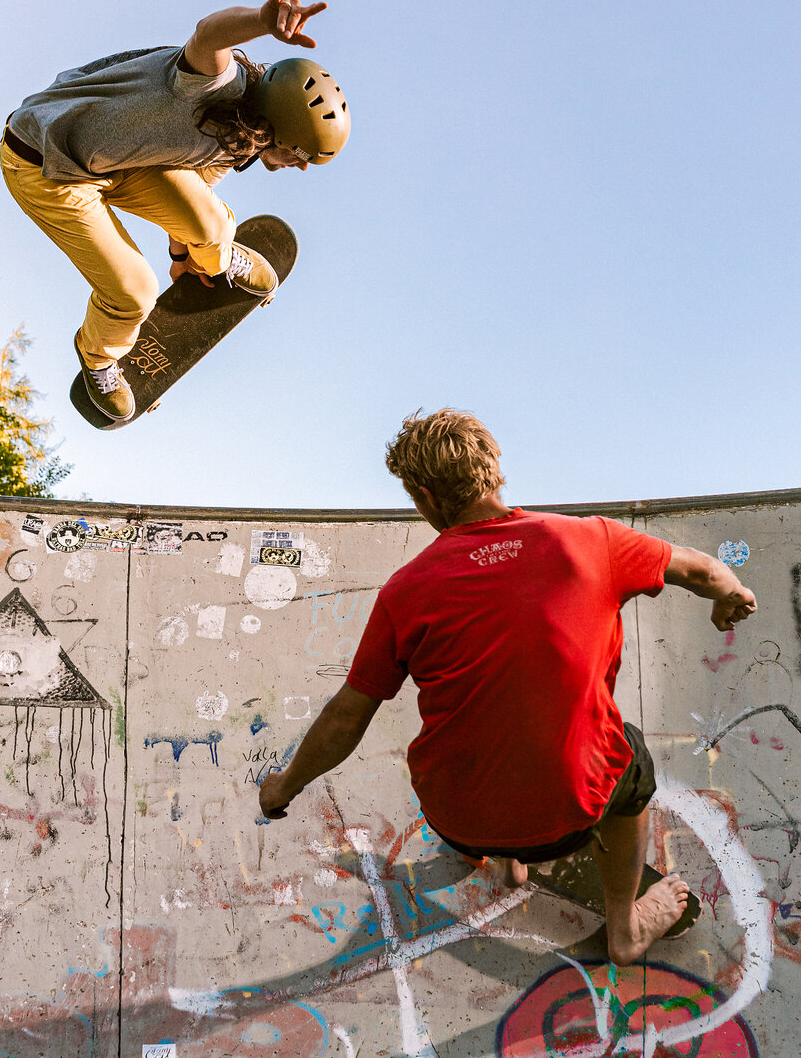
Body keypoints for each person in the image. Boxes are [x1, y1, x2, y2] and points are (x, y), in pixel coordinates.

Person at [258, 408, 757, 966]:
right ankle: (626, 929)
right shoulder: (592, 541)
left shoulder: (404, 590)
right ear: (496, 473)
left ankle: (504, 861)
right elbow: (700, 571)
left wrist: (285, 785)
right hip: (570, 812)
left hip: (458, 822)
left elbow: (349, 714)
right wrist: (730, 596)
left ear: (424, 496)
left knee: (468, 738)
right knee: (629, 756)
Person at [0, 0, 350, 421]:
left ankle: (215, 261)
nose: (299, 169)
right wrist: (263, 19)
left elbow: (193, 194)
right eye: (299, 156)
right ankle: (97, 358)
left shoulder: (240, 140)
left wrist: (181, 255)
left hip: (121, 163)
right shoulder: (213, 85)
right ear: (282, 129)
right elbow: (208, 36)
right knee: (135, 293)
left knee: (214, 224)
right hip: (45, 164)